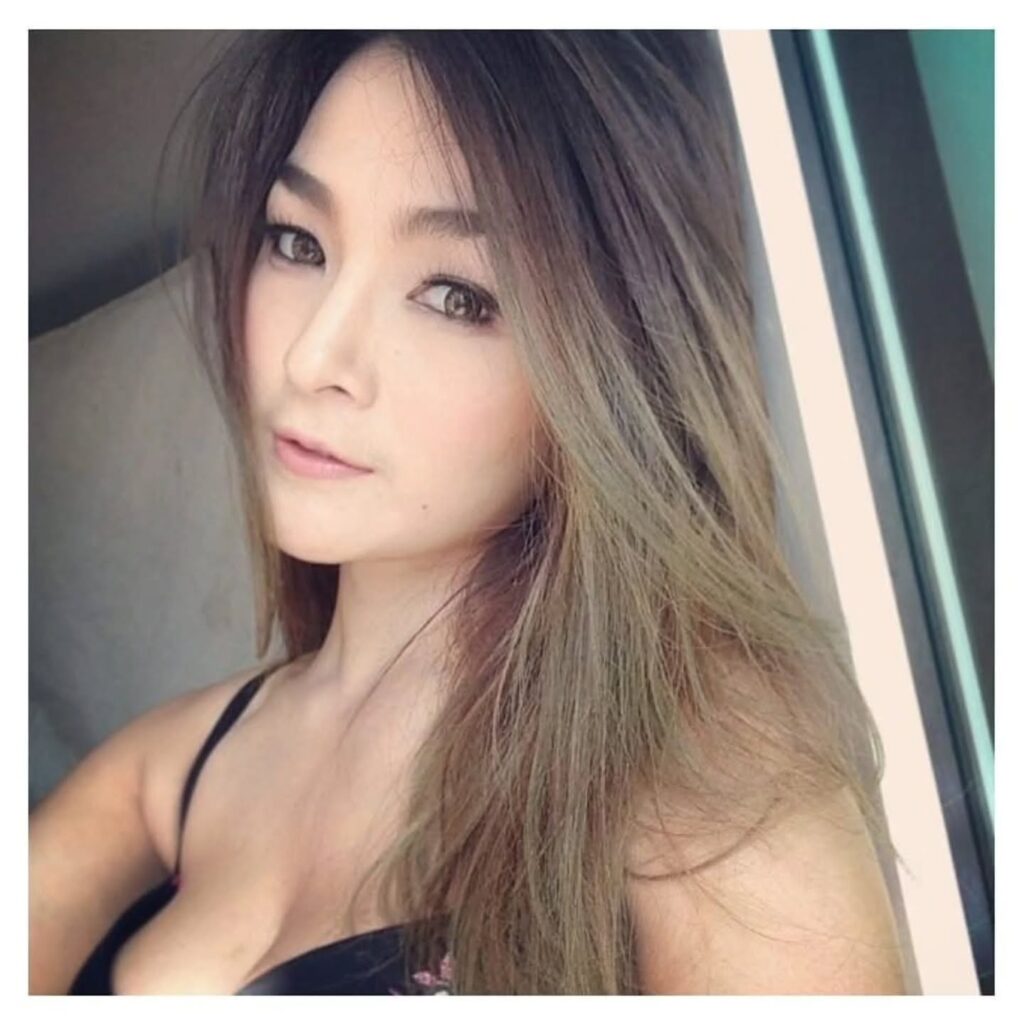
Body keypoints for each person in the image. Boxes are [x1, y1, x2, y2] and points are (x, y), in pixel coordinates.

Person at [29, 30, 908, 995]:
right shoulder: (174, 760)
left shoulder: (697, 742)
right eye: (299, 243)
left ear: (609, 361)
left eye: (455, 295)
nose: (312, 358)